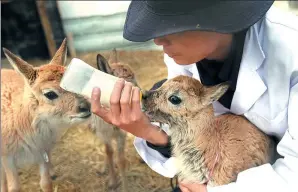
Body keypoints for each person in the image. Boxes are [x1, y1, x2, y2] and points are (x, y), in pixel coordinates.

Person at [90, 1, 298, 192]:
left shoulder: (291, 50)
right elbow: (187, 127)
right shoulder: (184, 53)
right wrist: (149, 132)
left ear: (219, 14)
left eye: (174, 24)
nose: (158, 40)